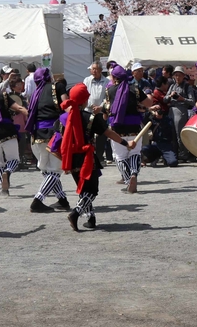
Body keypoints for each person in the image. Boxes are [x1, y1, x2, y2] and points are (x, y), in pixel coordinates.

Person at [61, 83, 137, 231]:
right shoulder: (91, 118)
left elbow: (60, 140)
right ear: (84, 100)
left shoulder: (65, 118)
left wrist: (64, 159)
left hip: (72, 158)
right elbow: (108, 133)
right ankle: (76, 213)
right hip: (86, 158)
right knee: (92, 191)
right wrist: (125, 143)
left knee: (84, 190)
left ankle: (91, 219)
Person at [24, 67, 71, 212]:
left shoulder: (34, 95)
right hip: (54, 133)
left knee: (47, 170)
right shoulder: (57, 86)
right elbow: (66, 105)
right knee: (55, 171)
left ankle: (62, 200)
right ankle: (38, 200)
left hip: (37, 135)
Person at [105, 65, 155, 193]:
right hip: (134, 126)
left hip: (117, 128)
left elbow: (107, 110)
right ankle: (134, 173)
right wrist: (148, 94)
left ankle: (128, 180)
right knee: (134, 153)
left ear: (115, 77)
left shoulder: (110, 90)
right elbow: (149, 104)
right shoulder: (136, 89)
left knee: (120, 156)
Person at [165, 66, 197, 162]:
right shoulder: (172, 86)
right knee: (172, 134)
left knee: (180, 134)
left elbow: (192, 101)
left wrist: (182, 99)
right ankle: (175, 153)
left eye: (179, 75)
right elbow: (165, 99)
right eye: (176, 75)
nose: (177, 77)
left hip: (181, 110)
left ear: (183, 76)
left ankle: (183, 154)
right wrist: (170, 96)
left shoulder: (187, 87)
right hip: (171, 110)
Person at [82, 62, 109, 166]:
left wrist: (101, 107)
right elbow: (84, 94)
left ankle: (100, 157)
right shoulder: (87, 80)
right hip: (88, 111)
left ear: (101, 70)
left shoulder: (107, 81)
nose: (94, 71)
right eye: (92, 69)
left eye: (96, 69)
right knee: (88, 134)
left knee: (102, 134)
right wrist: (90, 105)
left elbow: (107, 97)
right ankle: (89, 156)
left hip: (101, 112)